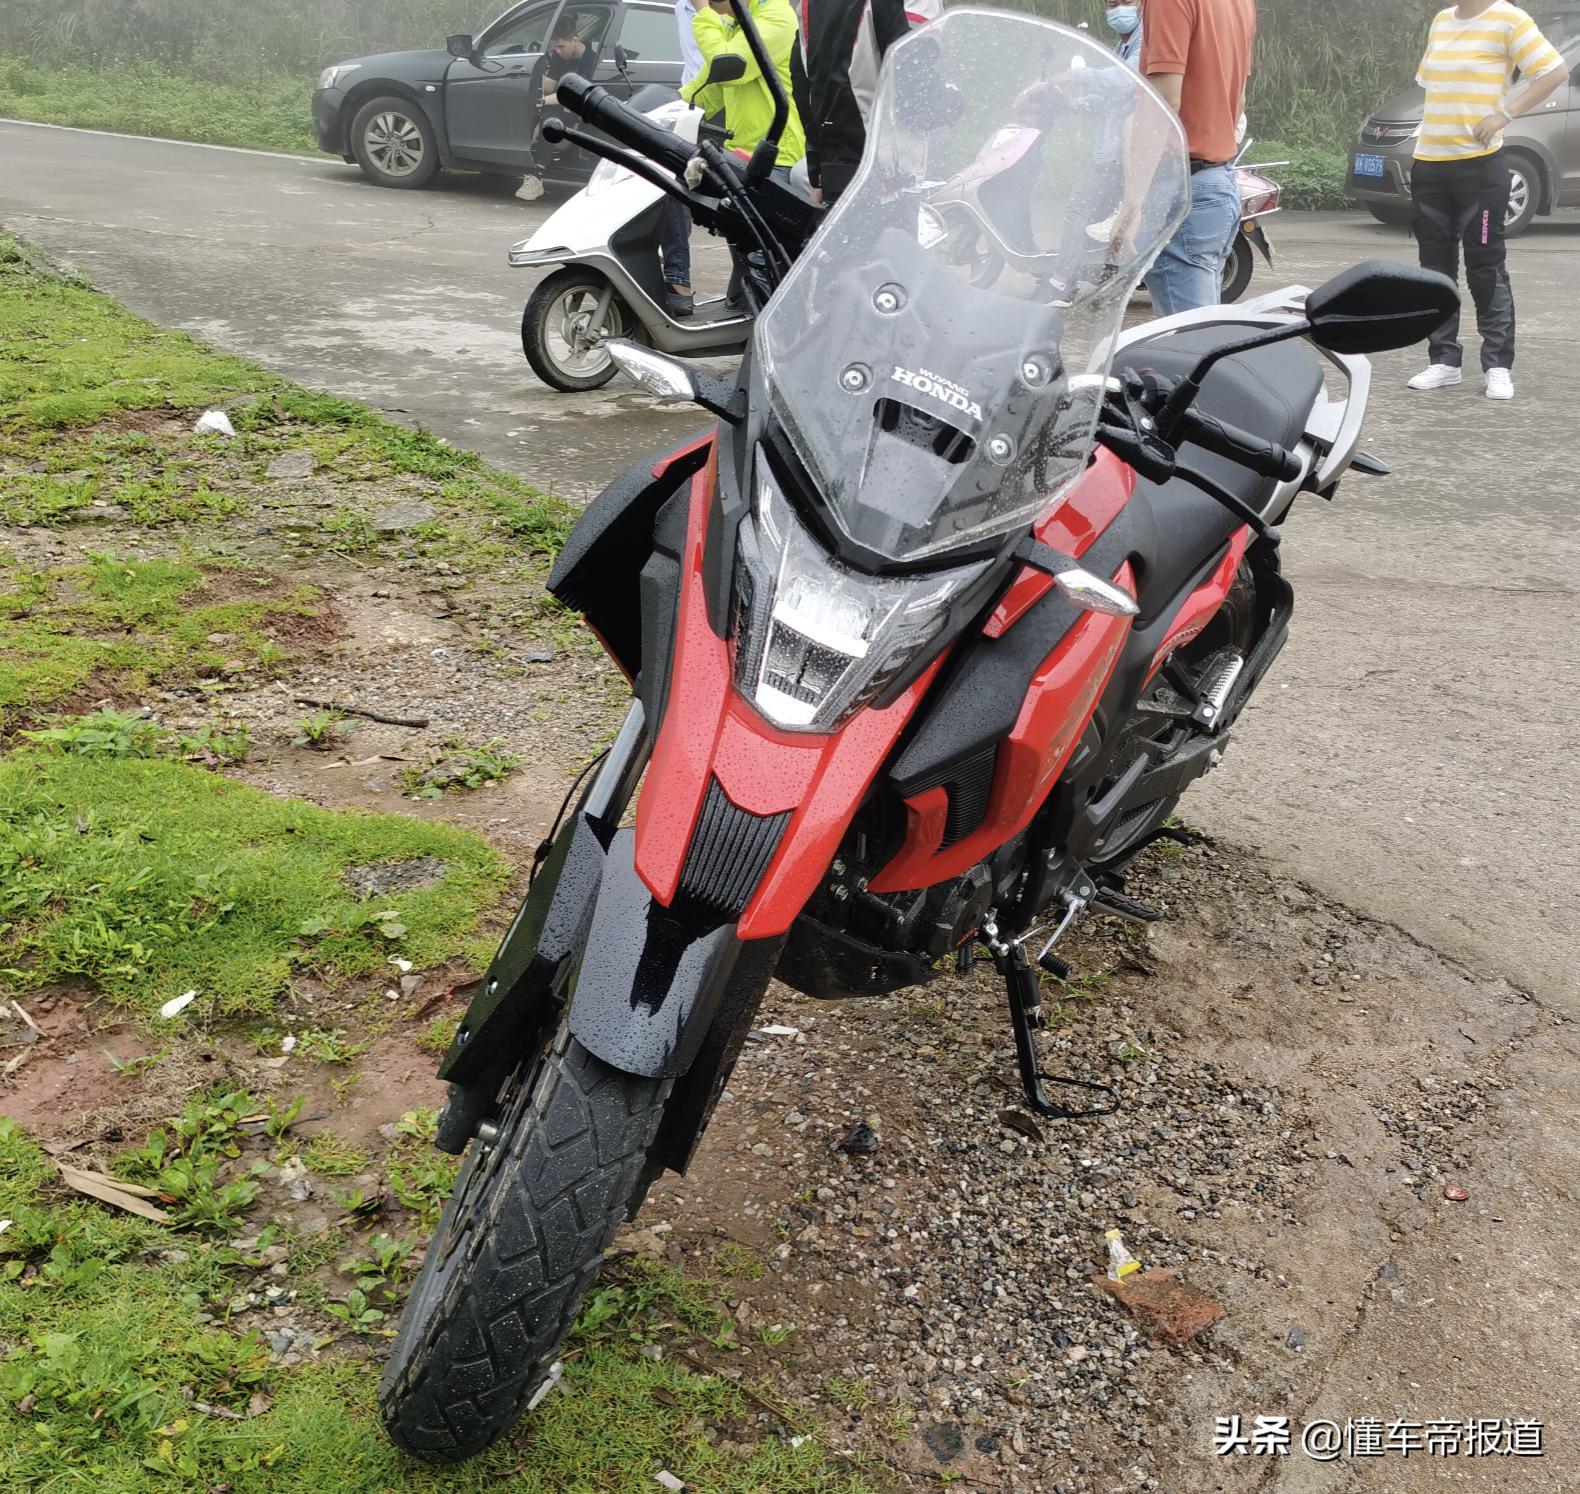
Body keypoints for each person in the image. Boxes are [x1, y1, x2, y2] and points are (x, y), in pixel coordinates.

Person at [1406, 0, 1568, 400]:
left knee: (1484, 266)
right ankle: (1444, 361)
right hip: (1430, 165)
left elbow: (1553, 71)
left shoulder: (1509, 20)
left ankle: (1497, 365)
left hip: (1479, 168)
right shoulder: (1442, 21)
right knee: (1435, 270)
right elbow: (1436, 89)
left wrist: (1505, 114)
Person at [1138, 0, 1256, 317]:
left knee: (1189, 343)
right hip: (1219, 181)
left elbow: (1163, 104)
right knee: (1202, 328)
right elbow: (1239, 98)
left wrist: (1131, 202)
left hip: (1181, 188)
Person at [793, 0, 940, 207]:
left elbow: (802, 84)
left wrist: (817, 168)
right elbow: (916, 92)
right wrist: (952, 102)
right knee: (893, 238)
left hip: (835, 168)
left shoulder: (807, 4)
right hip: (888, 175)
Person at [661, 0, 709, 317]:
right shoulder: (681, 7)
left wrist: (706, 9)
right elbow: (692, 62)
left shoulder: (721, 7)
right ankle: (678, 279)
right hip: (692, 107)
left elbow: (721, 59)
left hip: (725, 111)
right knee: (672, 189)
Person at [1106, 0, 1143, 70]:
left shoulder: (1146, 39)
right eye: (1113, 5)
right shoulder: (1120, 47)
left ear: (1142, 4)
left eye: (1127, 3)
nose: (1120, 9)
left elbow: (1125, 75)